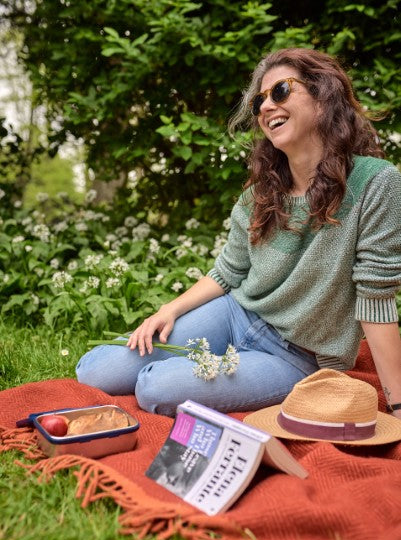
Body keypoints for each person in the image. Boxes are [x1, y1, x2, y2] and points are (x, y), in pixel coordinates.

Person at [76, 48, 401, 418]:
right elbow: (228, 272)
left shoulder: (376, 182)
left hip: (296, 357)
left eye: (279, 92)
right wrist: (169, 310)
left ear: (323, 98)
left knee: (154, 387)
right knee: (96, 372)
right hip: (235, 314)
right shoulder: (259, 195)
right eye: (259, 101)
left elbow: (375, 299)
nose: (265, 107)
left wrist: (399, 405)